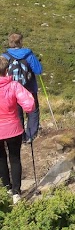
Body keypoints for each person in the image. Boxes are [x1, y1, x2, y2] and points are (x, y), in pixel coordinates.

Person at [0, 54, 35, 202]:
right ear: (7, 70)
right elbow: (30, 105)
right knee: (15, 159)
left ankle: (6, 188)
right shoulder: (14, 85)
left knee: (0, 158)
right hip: (13, 128)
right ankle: (16, 193)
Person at [4, 32, 43, 143]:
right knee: (33, 111)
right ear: (20, 42)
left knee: (17, 113)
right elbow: (38, 70)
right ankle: (31, 135)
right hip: (29, 88)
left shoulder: (5, 56)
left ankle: (20, 137)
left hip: (12, 90)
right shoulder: (29, 55)